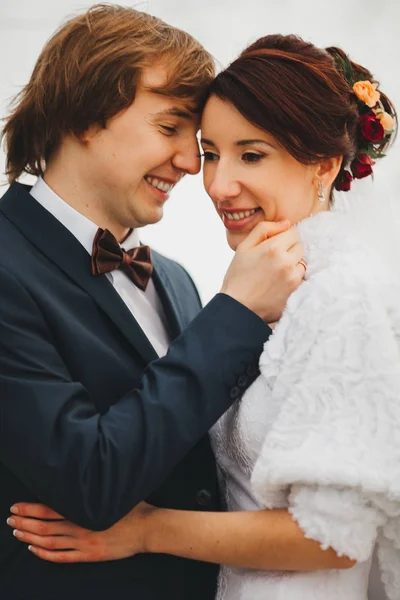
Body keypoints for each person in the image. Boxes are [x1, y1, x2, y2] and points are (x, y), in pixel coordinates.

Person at [10, 34, 400, 600]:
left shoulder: (324, 295)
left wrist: (148, 531)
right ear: (85, 120)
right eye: (186, 137)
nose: (203, 174)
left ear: (324, 167)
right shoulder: (232, 292)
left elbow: (337, 533)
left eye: (250, 153)